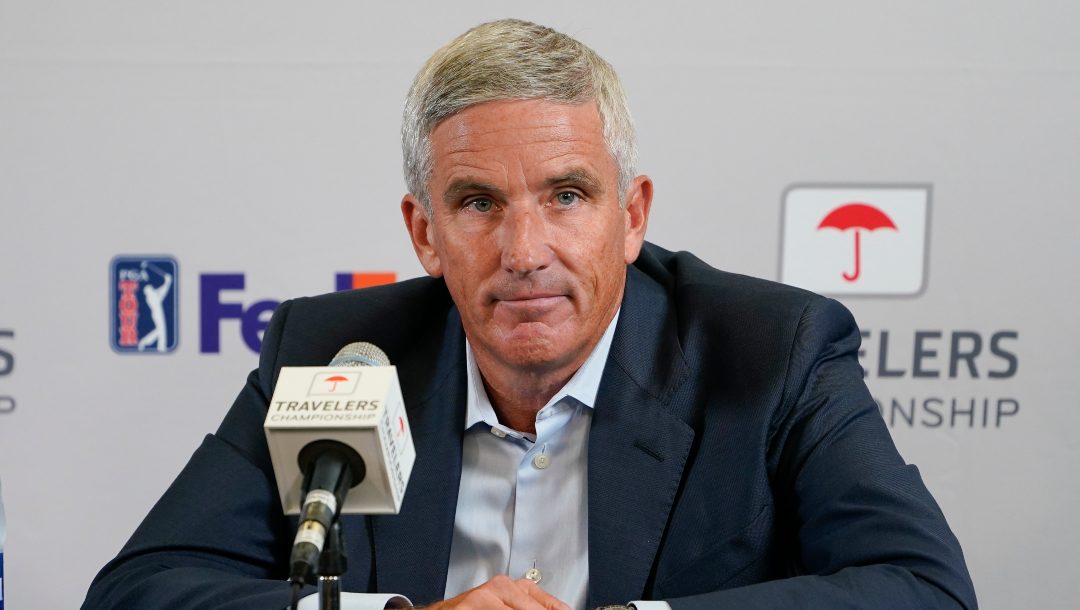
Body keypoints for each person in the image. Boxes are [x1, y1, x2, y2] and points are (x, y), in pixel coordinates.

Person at [83, 19, 977, 610]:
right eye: (477, 203)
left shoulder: (771, 353)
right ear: (424, 234)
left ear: (631, 216)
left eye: (566, 195)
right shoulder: (336, 356)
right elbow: (142, 589)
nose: (524, 251)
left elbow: (924, 590)